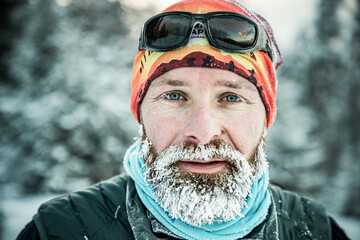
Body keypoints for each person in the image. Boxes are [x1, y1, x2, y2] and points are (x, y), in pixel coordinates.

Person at [17, 0, 350, 239]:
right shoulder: (61, 229)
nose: (202, 133)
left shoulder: (315, 230)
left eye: (231, 97)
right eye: (174, 96)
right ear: (140, 112)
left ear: (266, 116)